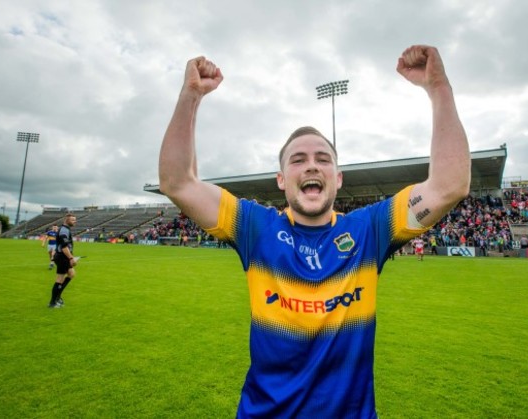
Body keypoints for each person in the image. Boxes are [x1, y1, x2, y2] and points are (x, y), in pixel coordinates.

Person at [158, 44, 470, 417]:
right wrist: (190, 96)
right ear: (281, 178)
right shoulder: (255, 227)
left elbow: (450, 185)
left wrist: (439, 88)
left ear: (337, 178)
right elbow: (177, 182)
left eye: (323, 160)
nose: (312, 167)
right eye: (298, 160)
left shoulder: (370, 229)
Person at [48, 213, 78, 308]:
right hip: (62, 257)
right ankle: (53, 302)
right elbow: (64, 247)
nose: (75, 221)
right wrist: (71, 258)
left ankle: (58, 296)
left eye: (75, 220)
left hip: (63, 257)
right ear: (66, 220)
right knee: (60, 279)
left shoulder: (66, 229)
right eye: (73, 220)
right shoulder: (64, 230)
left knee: (71, 274)